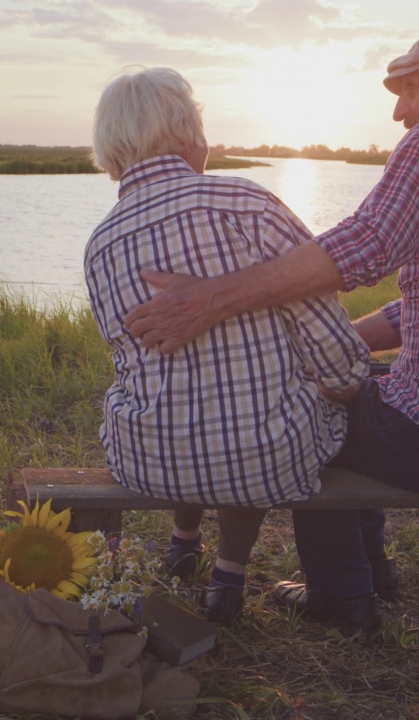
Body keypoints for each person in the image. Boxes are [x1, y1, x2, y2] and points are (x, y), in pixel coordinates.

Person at [122, 27, 419, 636]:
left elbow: (362, 248)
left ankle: (341, 595)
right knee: (351, 384)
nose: (400, 111)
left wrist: (211, 298)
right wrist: (331, 345)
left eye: (410, 88)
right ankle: (373, 573)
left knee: (313, 411)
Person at [85, 66, 370, 625]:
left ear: (111, 150)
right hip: (264, 455)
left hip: (148, 458)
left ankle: (182, 540)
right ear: (186, 133)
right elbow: (318, 312)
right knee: (257, 412)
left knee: (190, 394)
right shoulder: (248, 203)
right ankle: (228, 580)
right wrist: (344, 378)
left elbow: (129, 355)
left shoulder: (101, 241)